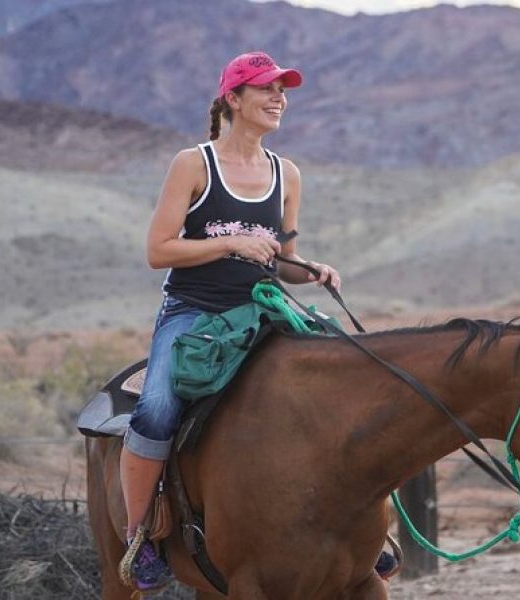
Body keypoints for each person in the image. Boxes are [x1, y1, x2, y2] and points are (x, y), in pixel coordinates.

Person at [118, 51, 341, 591]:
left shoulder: (286, 173)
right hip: (194, 311)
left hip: (263, 310)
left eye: (282, 90)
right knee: (158, 407)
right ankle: (140, 535)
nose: (277, 98)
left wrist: (309, 270)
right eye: (265, 89)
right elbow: (158, 250)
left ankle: (360, 532)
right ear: (232, 100)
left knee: (347, 377)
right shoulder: (193, 164)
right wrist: (229, 242)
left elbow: (282, 258)